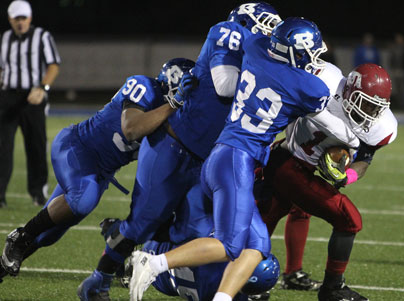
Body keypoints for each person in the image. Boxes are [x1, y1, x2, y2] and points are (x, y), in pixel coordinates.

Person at [130, 17, 361, 301]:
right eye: (310, 51)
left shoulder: (257, 48)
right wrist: (355, 140)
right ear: (296, 51)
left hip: (223, 155)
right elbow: (336, 128)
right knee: (228, 245)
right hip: (237, 161)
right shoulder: (309, 86)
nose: (314, 57)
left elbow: (252, 38)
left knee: (257, 245)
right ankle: (152, 263)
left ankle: (222, 298)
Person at [78, 3, 282, 301]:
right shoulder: (226, 34)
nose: (268, 37)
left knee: (200, 232)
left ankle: (200, 283)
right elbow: (226, 87)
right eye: (263, 29)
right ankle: (99, 280)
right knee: (143, 221)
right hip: (173, 148)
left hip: (211, 160)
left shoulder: (261, 60)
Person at [0, 58, 196, 284]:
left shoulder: (174, 114)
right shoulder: (145, 87)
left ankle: (5, 262)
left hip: (100, 172)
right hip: (78, 148)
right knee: (83, 199)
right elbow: (131, 129)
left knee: (48, 234)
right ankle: (19, 238)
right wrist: (173, 104)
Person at [256, 63, 397, 301]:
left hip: (298, 168)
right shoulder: (325, 82)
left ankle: (249, 282)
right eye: (366, 103)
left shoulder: (379, 126)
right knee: (349, 218)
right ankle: (332, 288)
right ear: (350, 91)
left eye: (376, 108)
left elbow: (364, 161)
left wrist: (346, 176)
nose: (370, 112)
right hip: (289, 162)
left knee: (263, 221)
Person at [97, 183, 280, 301]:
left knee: (197, 226)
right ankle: (127, 266)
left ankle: (118, 232)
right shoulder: (227, 289)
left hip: (162, 251)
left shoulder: (221, 259)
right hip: (165, 285)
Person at [0, 0, 61, 208]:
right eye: (16, 18)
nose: (20, 22)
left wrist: (43, 88)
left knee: (36, 145)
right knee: (2, 147)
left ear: (30, 18)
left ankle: (38, 193)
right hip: (7, 97)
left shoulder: (42, 36)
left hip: (33, 97)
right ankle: (0, 195)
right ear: (9, 19)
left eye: (23, 17)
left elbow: (53, 65)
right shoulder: (4, 38)